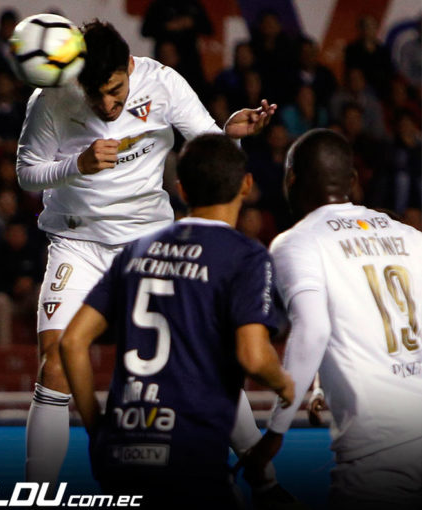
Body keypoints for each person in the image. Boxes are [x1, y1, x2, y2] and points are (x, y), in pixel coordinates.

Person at [15, 19, 284, 495]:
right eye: (95, 96)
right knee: (54, 360)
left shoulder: (163, 83)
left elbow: (206, 145)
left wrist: (231, 132)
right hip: (78, 243)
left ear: (128, 68)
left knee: (202, 353)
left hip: (151, 242)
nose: (107, 106)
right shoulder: (51, 98)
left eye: (116, 92)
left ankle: (263, 481)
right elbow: (27, 172)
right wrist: (74, 164)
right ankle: (35, 493)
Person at [60, 134, 295, 508]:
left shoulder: (138, 249)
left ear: (181, 189)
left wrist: (96, 428)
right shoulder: (245, 256)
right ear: (246, 185)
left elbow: (71, 342)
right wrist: (284, 383)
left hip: (121, 450)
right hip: (189, 453)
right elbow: (253, 356)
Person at [245, 128, 422, 510]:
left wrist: (275, 433)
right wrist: (324, 383)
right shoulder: (411, 237)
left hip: (378, 452)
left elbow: (313, 328)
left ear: (290, 179)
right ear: (353, 181)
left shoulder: (297, 241)